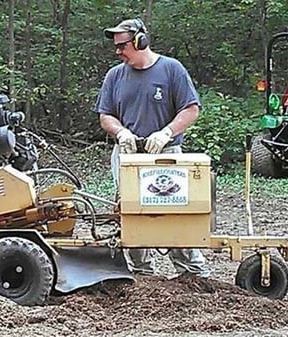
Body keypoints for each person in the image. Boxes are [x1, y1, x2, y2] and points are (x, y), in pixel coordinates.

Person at [93, 17, 210, 277]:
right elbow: (105, 115)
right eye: (116, 47)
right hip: (128, 154)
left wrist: (167, 132)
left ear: (140, 41)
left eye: (122, 46)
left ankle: (193, 273)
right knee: (131, 211)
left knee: (173, 211)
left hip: (165, 155)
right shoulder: (115, 76)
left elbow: (191, 109)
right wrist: (121, 132)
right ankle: (142, 273)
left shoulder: (171, 70)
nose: (118, 52)